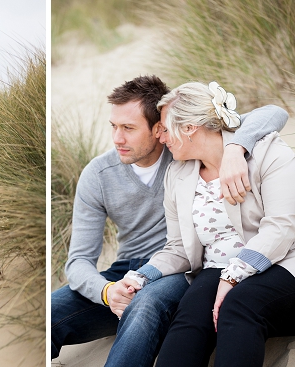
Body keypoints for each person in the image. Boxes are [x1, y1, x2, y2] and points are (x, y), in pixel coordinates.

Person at [50, 75, 289, 366]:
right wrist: (107, 290)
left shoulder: (186, 153)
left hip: (184, 273)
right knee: (48, 313)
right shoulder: (104, 174)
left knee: (147, 305)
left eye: (128, 128)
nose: (117, 139)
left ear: (158, 128)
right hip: (133, 270)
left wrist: (236, 149)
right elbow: (78, 262)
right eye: (113, 126)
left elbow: (272, 113)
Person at [122, 81, 295, 367]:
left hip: (280, 262)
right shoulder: (177, 175)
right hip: (215, 269)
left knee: (239, 304)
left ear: (190, 127)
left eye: (164, 128)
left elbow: (282, 228)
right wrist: (142, 276)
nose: (160, 137)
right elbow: (178, 247)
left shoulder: (269, 153)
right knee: (188, 321)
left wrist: (232, 277)